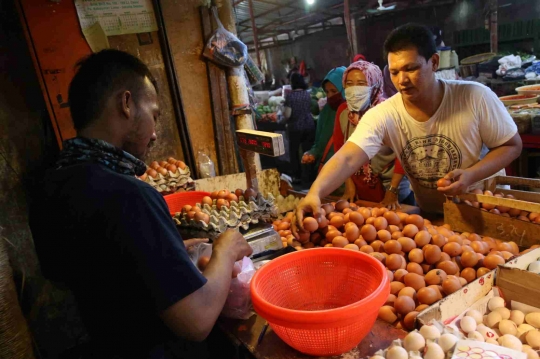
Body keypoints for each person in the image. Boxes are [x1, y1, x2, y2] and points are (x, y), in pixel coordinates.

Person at [29, 49, 253, 358]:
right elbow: (196, 320)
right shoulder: (127, 195)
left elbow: (98, 269)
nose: (153, 134)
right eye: (155, 115)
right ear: (126, 104)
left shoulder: (51, 185)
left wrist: (166, 251)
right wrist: (226, 250)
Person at [293, 23, 521, 232]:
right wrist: (315, 192)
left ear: (433, 62)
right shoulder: (384, 114)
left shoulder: (474, 97)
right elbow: (347, 158)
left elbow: (511, 145)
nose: (402, 80)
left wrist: (471, 176)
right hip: (433, 216)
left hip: (486, 211)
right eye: (394, 72)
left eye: (411, 69)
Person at [333, 60, 413, 208]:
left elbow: (405, 153)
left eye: (361, 83)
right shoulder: (343, 112)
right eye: (349, 83)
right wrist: (349, 184)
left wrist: (393, 190)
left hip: (392, 190)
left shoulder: (390, 112)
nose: (354, 89)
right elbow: (340, 150)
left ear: (374, 85)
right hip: (360, 191)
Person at [302, 66, 346, 171]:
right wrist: (312, 153)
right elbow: (320, 142)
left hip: (347, 170)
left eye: (334, 91)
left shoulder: (354, 113)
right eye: (327, 92)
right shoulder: (327, 111)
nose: (330, 96)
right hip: (328, 170)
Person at [284, 72, 315, 184]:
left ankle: (297, 177)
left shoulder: (290, 96)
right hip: (309, 125)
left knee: (294, 152)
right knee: (308, 151)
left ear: (292, 83)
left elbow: (288, 114)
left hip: (295, 127)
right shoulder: (307, 94)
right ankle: (310, 176)